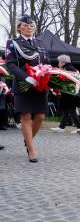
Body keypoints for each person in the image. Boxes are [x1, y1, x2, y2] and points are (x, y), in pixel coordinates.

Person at [5, 15, 51, 162]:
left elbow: (47, 62)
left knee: (40, 116)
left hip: (39, 85)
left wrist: (51, 80)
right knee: (25, 115)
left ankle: (28, 139)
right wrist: (25, 77)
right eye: (25, 25)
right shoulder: (12, 43)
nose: (28, 27)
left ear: (35, 28)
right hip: (22, 83)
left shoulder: (41, 43)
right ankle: (31, 149)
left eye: (31, 25)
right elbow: (11, 64)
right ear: (19, 28)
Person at [50, 55, 80, 133]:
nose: (58, 63)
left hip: (70, 94)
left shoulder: (68, 69)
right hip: (70, 93)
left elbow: (66, 81)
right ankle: (62, 127)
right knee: (67, 110)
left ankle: (79, 127)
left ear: (63, 62)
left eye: (59, 61)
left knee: (71, 110)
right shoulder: (69, 68)